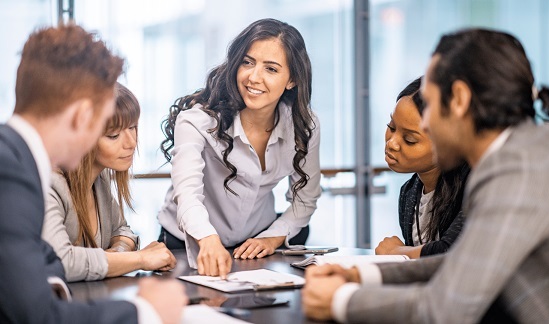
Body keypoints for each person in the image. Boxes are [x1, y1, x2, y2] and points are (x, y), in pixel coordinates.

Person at [302, 28, 549, 323]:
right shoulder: (524, 153)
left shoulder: (520, 171)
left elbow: (445, 310)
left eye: (429, 104)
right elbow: (463, 263)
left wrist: (341, 300)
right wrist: (361, 274)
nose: (426, 124)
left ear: (458, 98)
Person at [0, 24, 186, 323]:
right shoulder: (11, 174)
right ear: (82, 117)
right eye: (105, 126)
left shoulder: (17, 162)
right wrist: (146, 311)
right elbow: (38, 317)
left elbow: (44, 269)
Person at [157, 18, 321, 278]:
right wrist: (207, 238)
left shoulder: (304, 125)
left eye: (271, 69)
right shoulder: (198, 120)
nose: (254, 77)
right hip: (188, 242)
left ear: (292, 80)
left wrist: (272, 237)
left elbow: (305, 198)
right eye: (247, 62)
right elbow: (187, 194)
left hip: (255, 244)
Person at [42, 82, 176, 282]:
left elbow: (122, 230)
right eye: (114, 135)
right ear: (83, 138)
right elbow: (61, 261)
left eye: (133, 127)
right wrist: (138, 259)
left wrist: (118, 253)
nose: (131, 143)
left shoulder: (100, 177)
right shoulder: (50, 184)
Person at [376, 77, 470, 259]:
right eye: (392, 127)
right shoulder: (409, 193)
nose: (392, 143)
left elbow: (453, 254)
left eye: (410, 139)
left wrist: (396, 252)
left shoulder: (473, 186)